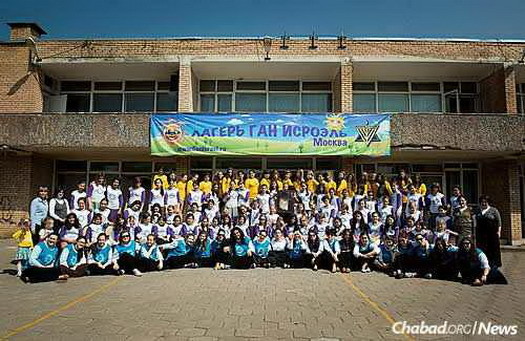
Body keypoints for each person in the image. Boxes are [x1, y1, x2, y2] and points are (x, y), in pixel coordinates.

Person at [474, 195, 502, 268]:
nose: (483, 203)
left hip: (491, 234)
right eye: (482, 202)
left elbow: (499, 222)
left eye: (485, 202)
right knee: (482, 250)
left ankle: (493, 265)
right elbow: (475, 222)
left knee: (492, 250)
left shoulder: (494, 210)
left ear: (488, 202)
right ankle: (484, 265)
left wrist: (499, 232)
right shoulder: (477, 210)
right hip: (481, 234)